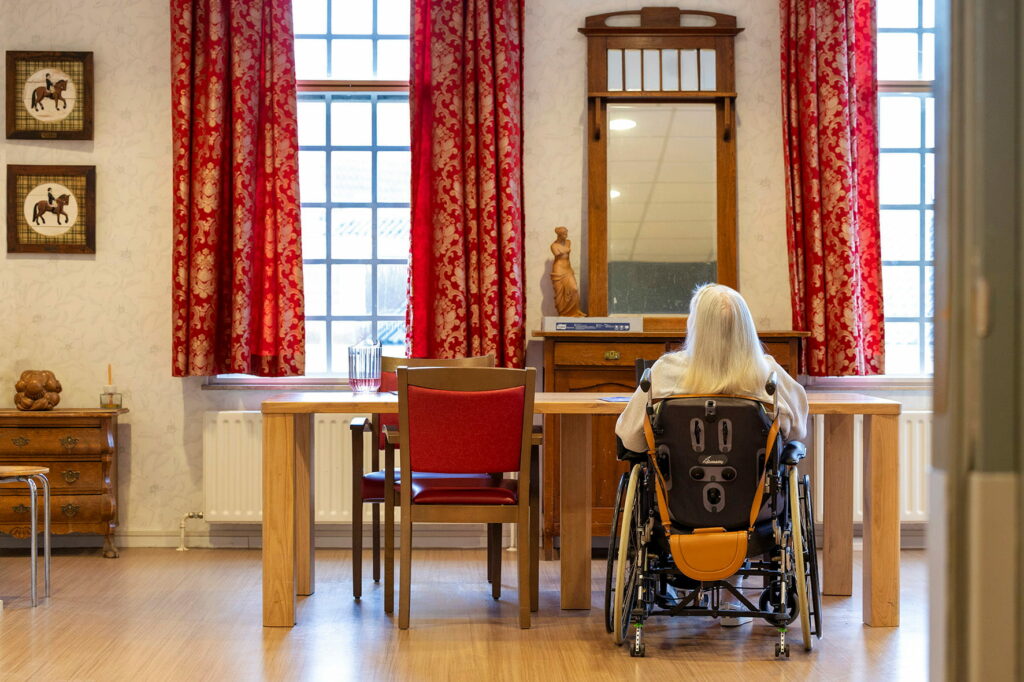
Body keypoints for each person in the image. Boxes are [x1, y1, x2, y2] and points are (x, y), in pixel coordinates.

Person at [615, 283, 808, 453]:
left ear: (696, 326)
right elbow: (798, 431)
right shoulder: (769, 372)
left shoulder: (666, 370)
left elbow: (631, 439)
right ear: (745, 328)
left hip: (677, 481)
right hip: (755, 481)